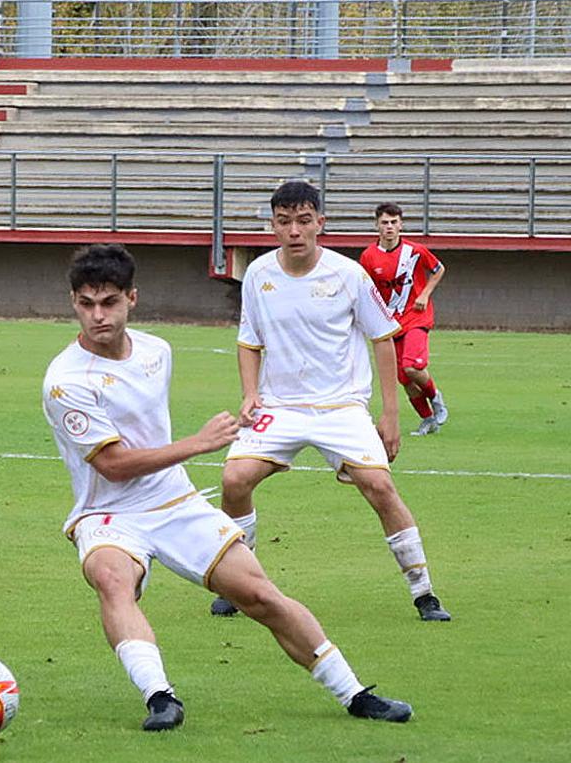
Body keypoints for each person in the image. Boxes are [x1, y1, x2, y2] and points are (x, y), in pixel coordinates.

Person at [43, 243, 412, 731]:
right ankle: (160, 698)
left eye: (109, 302)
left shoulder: (157, 351)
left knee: (260, 596)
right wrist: (198, 444)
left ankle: (355, 693)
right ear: (73, 303)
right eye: (86, 304)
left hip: (173, 502)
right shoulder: (65, 381)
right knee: (114, 581)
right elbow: (112, 465)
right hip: (107, 513)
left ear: (132, 298)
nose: (98, 315)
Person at [208, 182, 452, 623]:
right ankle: (239, 582)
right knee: (234, 480)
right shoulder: (260, 275)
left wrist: (390, 414)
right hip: (280, 407)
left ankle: (424, 592)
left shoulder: (348, 274)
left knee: (380, 487)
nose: (294, 231)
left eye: (304, 221)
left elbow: (382, 339)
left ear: (320, 223)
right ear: (273, 226)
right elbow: (248, 342)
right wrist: (250, 394)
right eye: (284, 222)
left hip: (341, 408)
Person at [359, 203, 449, 436]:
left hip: (417, 316)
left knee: (412, 366)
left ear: (401, 225)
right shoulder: (369, 256)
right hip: (391, 321)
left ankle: (435, 398)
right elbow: (367, 289)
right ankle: (428, 419)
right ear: (376, 225)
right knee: (403, 378)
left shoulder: (415, 251)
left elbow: (438, 269)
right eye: (384, 223)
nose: (389, 227)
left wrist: (424, 294)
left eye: (393, 222)